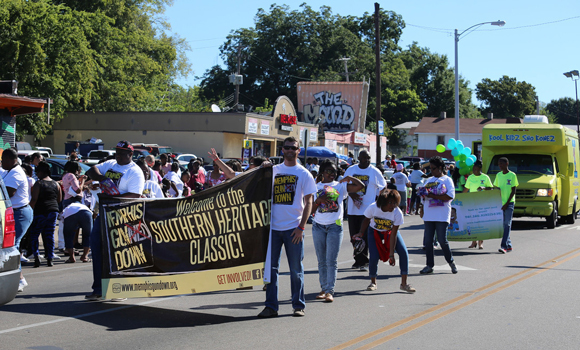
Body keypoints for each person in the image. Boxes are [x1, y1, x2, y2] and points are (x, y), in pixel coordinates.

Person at [258, 136, 316, 318]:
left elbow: (309, 202)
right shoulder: (273, 170)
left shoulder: (304, 174)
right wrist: (261, 169)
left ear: (299, 151)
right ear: (282, 150)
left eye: (294, 147)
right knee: (271, 270)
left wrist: (301, 227)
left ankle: (298, 306)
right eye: (287, 147)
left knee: (295, 269)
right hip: (273, 229)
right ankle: (270, 307)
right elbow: (254, 185)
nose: (290, 150)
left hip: (293, 229)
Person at [85, 140, 144, 301]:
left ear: (131, 155)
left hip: (121, 215)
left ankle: (119, 289)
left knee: (118, 253)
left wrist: (111, 196)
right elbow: (92, 170)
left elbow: (135, 195)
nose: (118, 156)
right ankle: (98, 289)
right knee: (97, 249)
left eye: (122, 153)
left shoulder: (135, 172)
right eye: (117, 152)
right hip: (104, 212)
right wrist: (102, 179)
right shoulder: (111, 163)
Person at [311, 162, 364, 302]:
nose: (332, 174)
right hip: (318, 226)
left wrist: (350, 177)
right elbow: (310, 212)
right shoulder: (315, 187)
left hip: (335, 226)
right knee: (321, 260)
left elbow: (361, 186)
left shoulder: (340, 186)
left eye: (334, 171)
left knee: (331, 261)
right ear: (322, 172)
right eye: (328, 171)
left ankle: (329, 291)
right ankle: (323, 289)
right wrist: (318, 200)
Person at [353, 189, 415, 293]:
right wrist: (361, 233)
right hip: (374, 231)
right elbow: (366, 220)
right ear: (383, 202)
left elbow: (394, 234)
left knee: (404, 253)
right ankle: (373, 282)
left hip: (390, 232)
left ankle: (404, 284)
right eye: (390, 202)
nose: (393, 205)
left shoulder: (397, 212)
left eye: (395, 202)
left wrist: (391, 255)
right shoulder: (373, 207)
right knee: (374, 256)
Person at [343, 150, 386, 271]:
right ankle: (358, 259)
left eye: (368, 158)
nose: (366, 160)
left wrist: (379, 201)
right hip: (353, 209)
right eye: (364, 158)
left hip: (367, 211)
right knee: (354, 236)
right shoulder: (351, 170)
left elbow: (383, 187)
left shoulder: (374, 171)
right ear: (359, 158)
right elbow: (343, 186)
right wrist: (351, 194)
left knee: (365, 236)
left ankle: (363, 261)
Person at [1, 148, 33, 292]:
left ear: (10, 159)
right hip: (16, 212)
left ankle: (20, 280)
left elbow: (8, 193)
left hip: (20, 213)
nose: (1, 163)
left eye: (3, 160)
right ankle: (20, 278)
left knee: (13, 246)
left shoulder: (16, 173)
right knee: (12, 246)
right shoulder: (9, 170)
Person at [419, 156, 458, 275]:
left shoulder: (447, 180)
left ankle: (451, 261)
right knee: (428, 242)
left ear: (441, 168)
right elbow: (424, 196)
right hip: (429, 215)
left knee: (442, 240)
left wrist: (433, 196)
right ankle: (429, 265)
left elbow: (450, 196)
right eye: (430, 168)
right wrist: (421, 206)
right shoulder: (429, 180)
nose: (432, 171)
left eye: (434, 168)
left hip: (442, 215)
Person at [28, 161, 62, 267]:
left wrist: (29, 210)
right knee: (49, 235)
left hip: (40, 212)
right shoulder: (56, 184)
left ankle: (36, 256)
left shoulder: (39, 183)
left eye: (37, 171)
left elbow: (34, 199)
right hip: (53, 211)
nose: (37, 174)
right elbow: (59, 199)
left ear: (41, 172)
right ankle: (50, 258)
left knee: (34, 235)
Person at [464, 160, 493, 249]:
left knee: (481, 223)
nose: (474, 170)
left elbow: (491, 188)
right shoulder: (470, 177)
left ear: (480, 169)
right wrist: (459, 197)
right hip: (472, 203)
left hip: (482, 203)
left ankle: (481, 242)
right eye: (473, 168)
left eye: (476, 169)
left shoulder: (485, 177)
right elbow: (466, 189)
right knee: (473, 223)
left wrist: (484, 188)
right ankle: (473, 242)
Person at [494, 157, 518, 254]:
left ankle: (503, 246)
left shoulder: (512, 175)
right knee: (504, 225)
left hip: (509, 203)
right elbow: (496, 188)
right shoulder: (498, 175)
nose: (500, 165)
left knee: (507, 224)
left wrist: (507, 203)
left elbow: (513, 191)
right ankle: (509, 245)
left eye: (502, 164)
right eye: (499, 164)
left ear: (507, 164)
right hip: (500, 203)